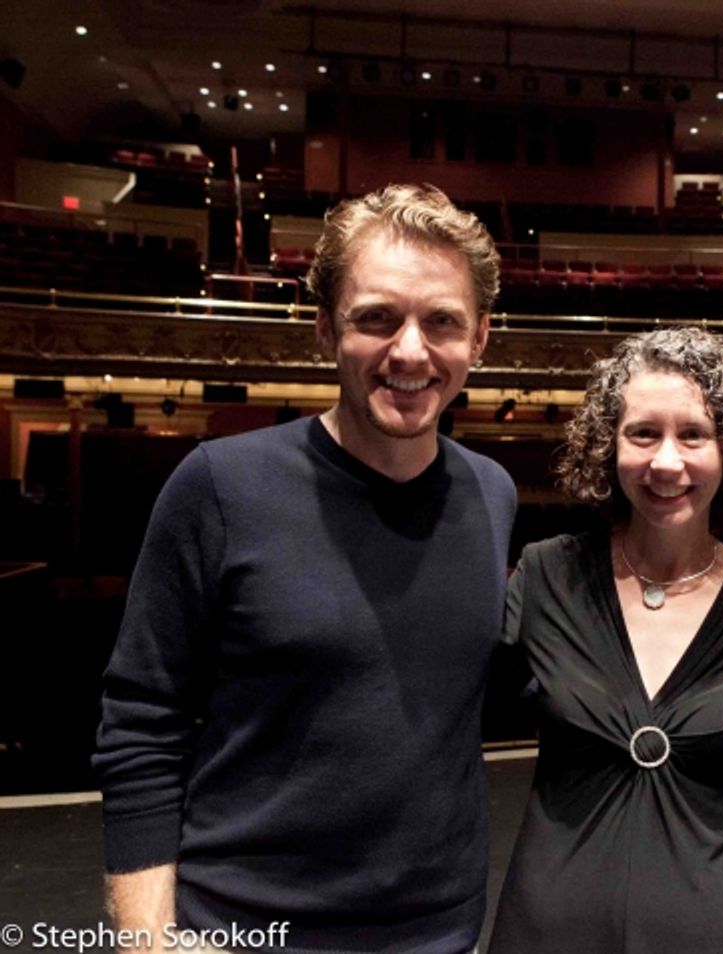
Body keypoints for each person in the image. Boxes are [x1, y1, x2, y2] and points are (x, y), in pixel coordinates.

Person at [93, 184, 516, 954]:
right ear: (325, 326)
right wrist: (146, 942)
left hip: (440, 932)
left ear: (480, 337)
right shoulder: (219, 485)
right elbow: (142, 722)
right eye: (377, 318)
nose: (411, 352)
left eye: (442, 321)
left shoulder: (492, 493)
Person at [486, 327, 723, 954]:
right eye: (643, 433)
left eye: (694, 434)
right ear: (608, 445)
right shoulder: (547, 575)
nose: (667, 462)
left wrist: (711, 813)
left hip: (715, 934)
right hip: (547, 930)